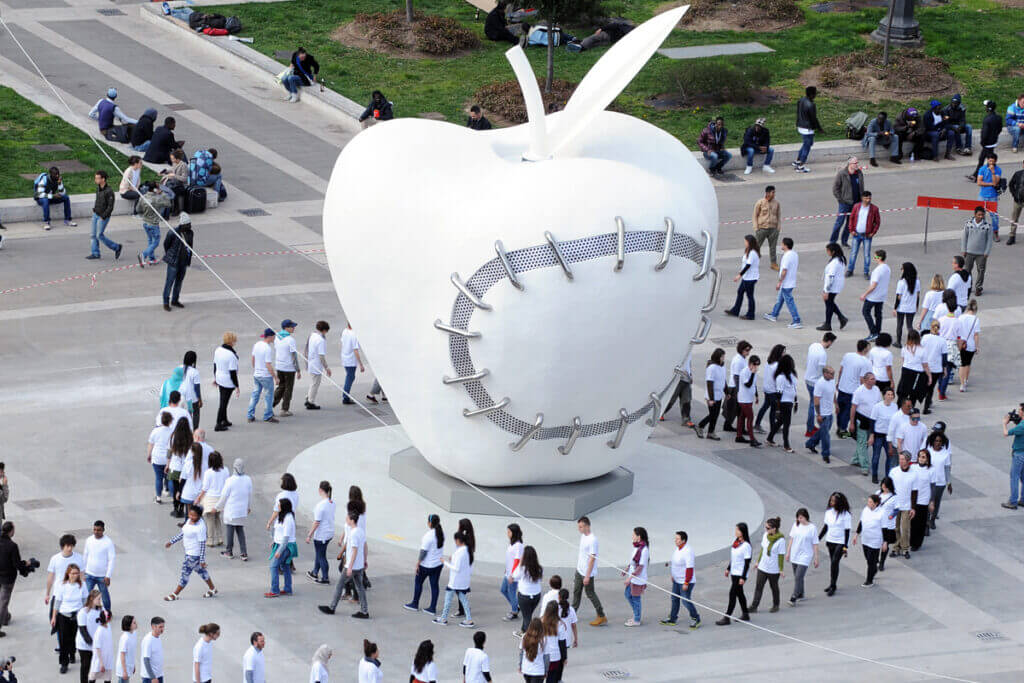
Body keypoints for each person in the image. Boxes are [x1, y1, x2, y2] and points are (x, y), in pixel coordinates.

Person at [163, 504, 217, 600]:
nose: (191, 517)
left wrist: (202, 560)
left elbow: (202, 545)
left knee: (185, 574)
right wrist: (171, 542)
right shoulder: (189, 521)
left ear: (199, 516)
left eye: (194, 516)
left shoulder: (200, 527)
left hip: (193, 555)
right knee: (202, 572)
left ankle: (175, 594)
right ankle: (212, 589)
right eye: (190, 515)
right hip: (189, 552)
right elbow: (183, 533)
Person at [51, 563, 87, 673]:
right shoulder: (62, 586)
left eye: (77, 573)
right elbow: (57, 602)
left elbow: (85, 601)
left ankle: (72, 654)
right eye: (72, 573)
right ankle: (64, 663)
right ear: (68, 573)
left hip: (77, 615)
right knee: (63, 640)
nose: (74, 575)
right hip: (64, 616)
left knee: (75, 638)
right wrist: (54, 617)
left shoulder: (82, 585)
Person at [405, 514, 445, 614]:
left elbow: (423, 552)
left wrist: (418, 564)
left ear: (430, 523)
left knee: (418, 582)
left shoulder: (428, 536)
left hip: (427, 565)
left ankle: (415, 604)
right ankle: (432, 608)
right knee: (434, 586)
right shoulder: (441, 533)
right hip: (438, 564)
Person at [660, 530, 700, 628]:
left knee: (685, 601)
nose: (675, 540)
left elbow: (689, 568)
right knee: (674, 599)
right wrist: (673, 574)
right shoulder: (678, 549)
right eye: (675, 538)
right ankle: (672, 618)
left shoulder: (688, 551)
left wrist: (686, 582)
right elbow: (676, 563)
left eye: (677, 539)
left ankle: (696, 618)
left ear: (683, 540)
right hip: (677, 580)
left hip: (685, 581)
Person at [433, 529, 473, 626]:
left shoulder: (461, 552)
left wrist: (445, 562)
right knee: (463, 599)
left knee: (448, 600)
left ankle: (443, 618)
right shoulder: (466, 550)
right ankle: (469, 619)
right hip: (461, 581)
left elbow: (456, 568)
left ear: (458, 540)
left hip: (455, 582)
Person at [215, 458, 252, 561]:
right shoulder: (248, 479)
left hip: (231, 512)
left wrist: (217, 507)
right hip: (241, 512)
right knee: (240, 531)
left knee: (230, 531)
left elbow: (224, 497)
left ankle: (229, 551)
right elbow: (250, 495)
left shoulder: (230, 480)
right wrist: (248, 507)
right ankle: (244, 553)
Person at [572, 516, 606, 626]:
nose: (579, 529)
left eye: (581, 527)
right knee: (576, 592)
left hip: (587, 573)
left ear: (587, 526)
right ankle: (572, 614)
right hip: (579, 570)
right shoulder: (583, 536)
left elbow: (592, 559)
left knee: (590, 593)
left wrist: (587, 576)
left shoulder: (593, 540)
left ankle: (601, 615)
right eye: (579, 527)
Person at [715, 523, 751, 624]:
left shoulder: (746, 546)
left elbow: (747, 563)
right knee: (740, 594)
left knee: (732, 594)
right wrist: (728, 568)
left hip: (740, 574)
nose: (735, 532)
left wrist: (743, 577)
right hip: (734, 573)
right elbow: (734, 558)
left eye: (737, 530)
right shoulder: (736, 543)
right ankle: (745, 613)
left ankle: (727, 617)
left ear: (742, 532)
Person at [748, 516, 784, 614]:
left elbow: (781, 556)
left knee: (774, 587)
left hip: (773, 569)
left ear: (774, 529)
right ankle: (754, 606)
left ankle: (776, 605)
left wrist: (781, 569)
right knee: (758, 587)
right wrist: (757, 562)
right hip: (763, 567)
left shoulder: (781, 541)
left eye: (768, 528)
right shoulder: (765, 535)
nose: (766, 529)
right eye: (766, 527)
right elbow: (763, 550)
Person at [818, 492, 851, 596]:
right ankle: (833, 583)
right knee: (833, 562)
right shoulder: (829, 512)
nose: (831, 502)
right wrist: (818, 538)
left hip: (840, 542)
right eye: (831, 500)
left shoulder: (846, 514)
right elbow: (826, 527)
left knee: (834, 562)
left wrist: (845, 545)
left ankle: (833, 585)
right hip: (830, 540)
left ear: (839, 502)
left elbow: (847, 531)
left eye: (833, 501)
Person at [764, 238, 802, 327]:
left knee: (789, 301)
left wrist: (779, 282)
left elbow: (784, 270)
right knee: (780, 298)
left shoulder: (787, 256)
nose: (781, 245)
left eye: (782, 244)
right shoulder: (794, 254)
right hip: (791, 281)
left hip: (786, 283)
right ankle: (774, 314)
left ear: (785, 245)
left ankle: (796, 320)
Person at [835, 342, 870, 440]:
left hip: (842, 387)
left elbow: (841, 370)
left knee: (840, 409)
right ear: (865, 350)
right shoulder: (865, 362)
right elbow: (862, 379)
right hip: (852, 391)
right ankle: (842, 430)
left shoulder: (847, 355)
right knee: (847, 411)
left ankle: (839, 427)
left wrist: (839, 381)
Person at [784, 509, 818, 606]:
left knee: (798, 576)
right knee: (798, 576)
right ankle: (801, 593)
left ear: (806, 517)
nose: (799, 520)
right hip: (795, 554)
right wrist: (788, 552)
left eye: (801, 518)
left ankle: (793, 597)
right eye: (798, 518)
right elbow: (791, 539)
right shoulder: (796, 525)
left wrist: (816, 557)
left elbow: (815, 543)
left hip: (806, 555)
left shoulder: (812, 528)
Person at [160, 212, 193, 311]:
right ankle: (166, 302)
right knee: (169, 282)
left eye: (190, 224)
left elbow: (190, 246)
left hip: (183, 262)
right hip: (173, 263)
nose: (190, 226)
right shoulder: (173, 233)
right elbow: (166, 244)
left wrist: (188, 260)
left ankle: (175, 300)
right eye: (188, 224)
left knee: (179, 282)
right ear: (183, 225)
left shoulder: (190, 233)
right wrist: (170, 255)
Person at [87, 170, 122, 261]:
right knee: (93, 235)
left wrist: (103, 216)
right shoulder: (98, 188)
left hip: (103, 216)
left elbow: (110, 207)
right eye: (95, 178)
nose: (95, 180)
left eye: (97, 178)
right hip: (96, 214)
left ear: (103, 179)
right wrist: (94, 211)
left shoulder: (109, 191)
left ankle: (116, 247)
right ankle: (95, 253)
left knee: (99, 235)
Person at [850, 372, 881, 476]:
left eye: (874, 379)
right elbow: (853, 407)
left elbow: (878, 405)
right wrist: (852, 423)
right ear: (866, 380)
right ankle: (865, 466)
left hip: (872, 420)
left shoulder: (876, 390)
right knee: (862, 443)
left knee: (866, 442)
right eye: (872, 379)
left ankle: (855, 459)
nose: (874, 380)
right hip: (861, 420)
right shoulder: (859, 391)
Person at [804, 333, 835, 436]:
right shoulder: (823, 354)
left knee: (811, 404)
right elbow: (823, 371)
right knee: (814, 405)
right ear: (829, 342)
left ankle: (810, 426)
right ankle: (810, 428)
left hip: (808, 378)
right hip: (814, 382)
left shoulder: (813, 345)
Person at [305, 481, 336, 584]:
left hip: (321, 534)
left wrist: (309, 535)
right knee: (319, 553)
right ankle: (314, 572)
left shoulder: (320, 505)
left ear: (320, 490)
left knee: (321, 556)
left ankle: (325, 578)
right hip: (329, 532)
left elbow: (316, 522)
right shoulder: (332, 503)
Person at [766, 354, 798, 452]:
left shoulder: (792, 375)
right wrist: (778, 408)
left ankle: (770, 438)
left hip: (790, 402)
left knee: (780, 422)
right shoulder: (781, 377)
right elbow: (779, 394)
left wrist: (796, 401)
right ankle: (786, 445)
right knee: (786, 424)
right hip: (784, 403)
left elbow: (794, 389)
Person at [851, 494, 885, 586]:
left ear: (876, 503)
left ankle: (869, 580)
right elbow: (861, 522)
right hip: (865, 539)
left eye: (870, 502)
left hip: (875, 540)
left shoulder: (881, 513)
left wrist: (885, 542)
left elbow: (885, 528)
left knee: (870, 560)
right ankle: (874, 568)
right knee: (868, 558)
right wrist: (856, 534)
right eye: (868, 501)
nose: (868, 503)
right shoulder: (865, 510)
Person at [195, 451, 228, 546]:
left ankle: (210, 540)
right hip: (221, 498)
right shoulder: (225, 470)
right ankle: (220, 537)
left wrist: (198, 498)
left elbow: (205, 488)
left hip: (210, 499)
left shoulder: (208, 472)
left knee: (210, 520)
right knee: (217, 517)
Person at [830, 157, 865, 246]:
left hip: (856, 203)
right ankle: (832, 242)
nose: (857, 164)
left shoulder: (859, 173)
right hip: (844, 203)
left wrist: (862, 200)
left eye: (857, 162)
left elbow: (861, 187)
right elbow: (835, 188)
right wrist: (841, 199)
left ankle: (844, 241)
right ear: (850, 164)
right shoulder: (842, 174)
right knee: (839, 223)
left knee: (850, 224)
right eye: (855, 163)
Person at [266, 498, 297, 599]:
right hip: (280, 544)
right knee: (285, 566)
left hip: (285, 546)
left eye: (279, 505)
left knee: (273, 566)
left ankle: (275, 590)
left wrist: (279, 551)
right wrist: (274, 542)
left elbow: (286, 538)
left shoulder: (288, 519)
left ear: (283, 507)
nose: (277, 507)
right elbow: (279, 532)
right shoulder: (282, 516)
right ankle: (288, 589)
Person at [82, 521, 115, 613]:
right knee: (87, 594)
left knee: (104, 595)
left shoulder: (108, 542)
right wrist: (83, 571)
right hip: (89, 574)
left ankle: (107, 612)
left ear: (103, 530)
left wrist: (108, 575)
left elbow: (112, 559)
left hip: (102, 576)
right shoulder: (89, 540)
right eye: (95, 529)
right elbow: (85, 555)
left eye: (99, 530)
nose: (96, 532)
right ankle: (86, 611)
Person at [961, 206, 994, 297]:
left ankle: (978, 287)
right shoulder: (968, 224)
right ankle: (968, 286)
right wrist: (963, 249)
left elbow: (989, 241)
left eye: (982, 215)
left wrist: (986, 252)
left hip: (981, 254)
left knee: (981, 271)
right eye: (979, 214)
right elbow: (964, 237)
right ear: (974, 214)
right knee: (967, 270)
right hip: (969, 252)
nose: (981, 216)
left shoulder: (988, 226)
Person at [725, 234, 760, 319]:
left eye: (745, 241)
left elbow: (748, 265)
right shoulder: (748, 251)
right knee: (740, 292)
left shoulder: (752, 253)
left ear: (749, 242)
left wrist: (739, 275)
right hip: (746, 277)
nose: (744, 243)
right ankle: (735, 310)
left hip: (751, 278)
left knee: (750, 296)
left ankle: (751, 314)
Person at [136, 183, 171, 267]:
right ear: (155, 189)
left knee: (150, 240)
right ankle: (143, 255)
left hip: (145, 222)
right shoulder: (157, 199)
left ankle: (152, 259)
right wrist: (162, 194)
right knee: (156, 242)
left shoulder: (143, 197)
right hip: (153, 224)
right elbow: (168, 203)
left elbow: (138, 209)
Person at [806, 366, 836, 463]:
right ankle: (825, 454)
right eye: (831, 373)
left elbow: (833, 392)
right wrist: (818, 414)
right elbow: (816, 400)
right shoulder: (820, 384)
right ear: (825, 373)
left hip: (829, 412)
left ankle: (810, 443)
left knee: (824, 431)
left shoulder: (832, 380)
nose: (833, 375)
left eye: (833, 373)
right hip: (823, 414)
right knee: (826, 435)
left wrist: (836, 404)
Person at [695, 348, 726, 440]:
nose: (723, 358)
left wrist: (727, 392)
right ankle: (700, 426)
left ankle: (711, 432)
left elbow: (723, 380)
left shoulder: (722, 367)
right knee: (713, 414)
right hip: (712, 396)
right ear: (718, 357)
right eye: (722, 357)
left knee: (715, 415)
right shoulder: (712, 368)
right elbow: (709, 383)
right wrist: (711, 399)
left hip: (719, 395)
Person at [848, 192, 881, 279]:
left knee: (866, 254)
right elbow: (851, 218)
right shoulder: (856, 207)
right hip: (856, 234)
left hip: (867, 236)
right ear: (862, 198)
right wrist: (851, 230)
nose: (868, 200)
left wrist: (873, 233)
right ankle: (850, 270)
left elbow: (877, 222)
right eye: (866, 198)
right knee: (853, 253)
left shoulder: (874, 209)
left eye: (870, 198)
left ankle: (866, 272)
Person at [248, 328, 278, 423]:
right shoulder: (268, 349)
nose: (274, 338)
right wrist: (275, 377)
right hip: (265, 376)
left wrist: (256, 369)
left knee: (255, 395)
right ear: (270, 337)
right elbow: (268, 364)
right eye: (273, 337)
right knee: (269, 396)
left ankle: (250, 415)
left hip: (257, 374)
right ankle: (268, 415)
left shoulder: (257, 344)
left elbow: (253, 358)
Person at [272, 319, 301, 416]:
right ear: (286, 328)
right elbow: (294, 356)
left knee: (281, 386)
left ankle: (270, 405)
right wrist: (298, 369)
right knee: (288, 388)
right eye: (292, 327)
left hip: (279, 366)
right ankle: (284, 409)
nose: (293, 328)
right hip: (289, 367)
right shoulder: (290, 340)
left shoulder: (277, 337)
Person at [869, 389, 899, 483]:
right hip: (878, 435)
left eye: (892, 394)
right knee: (876, 456)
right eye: (888, 394)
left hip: (889, 436)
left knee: (890, 457)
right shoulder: (877, 407)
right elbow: (872, 421)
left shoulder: (895, 406)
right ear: (884, 396)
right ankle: (874, 475)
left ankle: (887, 478)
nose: (890, 396)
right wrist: (872, 435)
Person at [754, 344, 785, 435]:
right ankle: (773, 428)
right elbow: (778, 379)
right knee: (773, 409)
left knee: (765, 407)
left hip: (767, 388)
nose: (784, 354)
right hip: (773, 390)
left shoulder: (769, 362)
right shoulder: (777, 365)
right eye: (783, 352)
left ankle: (757, 424)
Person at [622, 527, 649, 626]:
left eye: (633, 535)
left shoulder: (644, 550)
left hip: (638, 578)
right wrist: (626, 570)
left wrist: (629, 578)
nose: (632, 537)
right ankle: (636, 614)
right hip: (632, 577)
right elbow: (633, 562)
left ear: (639, 536)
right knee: (627, 595)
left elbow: (640, 567)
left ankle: (637, 619)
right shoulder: (636, 547)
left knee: (636, 598)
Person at [34, 166, 76, 231]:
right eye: (55, 174)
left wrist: (59, 184)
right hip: (41, 199)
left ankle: (67, 220)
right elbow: (40, 194)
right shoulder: (44, 179)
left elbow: (62, 193)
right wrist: (53, 196)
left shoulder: (58, 179)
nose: (57, 175)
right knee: (45, 201)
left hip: (50, 197)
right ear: (50, 174)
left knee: (66, 198)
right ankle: (47, 222)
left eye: (58, 174)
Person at [722, 340, 752, 432]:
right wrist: (740, 391)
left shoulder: (741, 358)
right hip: (736, 387)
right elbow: (736, 377)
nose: (748, 352)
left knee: (734, 408)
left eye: (749, 350)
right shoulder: (738, 361)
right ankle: (739, 428)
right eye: (747, 350)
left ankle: (729, 425)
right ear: (741, 350)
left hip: (736, 387)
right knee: (738, 409)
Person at [818, 243, 848, 331]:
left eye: (828, 250)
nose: (827, 252)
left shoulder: (835, 262)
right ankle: (841, 318)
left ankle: (828, 324)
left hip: (833, 286)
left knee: (829, 304)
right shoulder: (840, 259)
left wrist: (826, 290)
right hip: (837, 285)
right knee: (830, 302)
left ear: (833, 251)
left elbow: (830, 277)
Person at [898, 331, 932, 409]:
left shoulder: (904, 348)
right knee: (913, 393)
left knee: (903, 391)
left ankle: (900, 407)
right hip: (917, 373)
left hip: (906, 370)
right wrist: (929, 376)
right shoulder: (922, 350)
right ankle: (910, 409)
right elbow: (925, 366)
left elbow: (903, 360)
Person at [513, 545, 543, 633]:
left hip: (524, 596)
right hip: (536, 595)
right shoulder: (539, 568)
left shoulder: (522, 569)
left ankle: (527, 635)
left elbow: (514, 575)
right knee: (528, 615)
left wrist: (520, 563)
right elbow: (540, 579)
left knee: (527, 617)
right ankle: (523, 630)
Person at [860, 250, 889, 340]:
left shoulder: (877, 270)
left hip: (874, 296)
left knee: (865, 311)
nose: (874, 258)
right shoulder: (887, 268)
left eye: (875, 257)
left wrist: (864, 294)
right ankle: (878, 332)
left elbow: (873, 285)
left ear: (879, 258)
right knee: (878, 314)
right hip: (882, 295)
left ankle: (873, 332)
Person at [495, 523, 522, 621]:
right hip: (508, 573)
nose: (507, 533)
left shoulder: (518, 545)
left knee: (511, 592)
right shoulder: (512, 544)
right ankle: (515, 606)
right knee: (503, 590)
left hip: (513, 575)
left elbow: (517, 560)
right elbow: (510, 559)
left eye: (509, 531)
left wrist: (512, 574)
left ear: (514, 533)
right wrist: (507, 569)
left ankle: (514, 611)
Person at [970, 99, 1002, 181]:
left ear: (988, 108)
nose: (985, 108)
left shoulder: (987, 119)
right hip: (993, 142)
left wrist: (982, 142)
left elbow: (985, 132)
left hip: (987, 143)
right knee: (984, 158)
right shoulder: (998, 118)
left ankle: (985, 176)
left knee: (987, 160)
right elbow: (999, 129)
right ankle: (976, 175)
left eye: (986, 107)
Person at [75, 589, 104, 681]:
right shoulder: (83, 612)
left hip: (95, 645)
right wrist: (92, 644)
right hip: (84, 645)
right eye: (98, 599)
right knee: (85, 666)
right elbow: (83, 631)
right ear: (91, 599)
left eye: (100, 599)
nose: (100, 601)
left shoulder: (101, 610)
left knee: (94, 668)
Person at [927, 429, 953, 528]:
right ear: (932, 441)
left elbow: (947, 469)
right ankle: (927, 520)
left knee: (936, 502)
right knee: (928, 501)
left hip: (940, 482)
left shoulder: (945, 453)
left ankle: (932, 520)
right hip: (929, 482)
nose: (938, 443)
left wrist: (949, 483)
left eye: (940, 441)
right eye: (936, 441)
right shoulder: (928, 451)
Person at [735, 355, 762, 448]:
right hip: (744, 399)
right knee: (750, 417)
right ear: (750, 364)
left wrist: (757, 395)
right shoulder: (744, 372)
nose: (756, 367)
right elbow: (748, 384)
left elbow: (754, 385)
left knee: (742, 417)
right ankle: (752, 439)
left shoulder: (752, 371)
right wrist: (753, 373)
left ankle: (739, 436)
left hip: (749, 398)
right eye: (755, 365)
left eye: (758, 365)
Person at [794, 86, 822, 172]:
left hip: (800, 126)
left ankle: (797, 161)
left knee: (806, 144)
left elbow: (798, 112)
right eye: (815, 93)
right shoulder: (811, 105)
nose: (816, 95)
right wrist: (819, 128)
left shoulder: (801, 100)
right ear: (811, 94)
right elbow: (814, 118)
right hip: (807, 129)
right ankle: (801, 166)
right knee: (807, 147)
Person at [305, 320, 332, 410]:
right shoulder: (321, 340)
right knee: (315, 384)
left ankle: (308, 397)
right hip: (316, 364)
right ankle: (310, 402)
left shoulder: (312, 335)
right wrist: (327, 367)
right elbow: (321, 356)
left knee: (313, 382)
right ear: (324, 330)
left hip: (311, 361)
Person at [920, 321, 946, 413]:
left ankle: (921, 399)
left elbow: (920, 351)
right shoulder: (942, 340)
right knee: (931, 388)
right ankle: (926, 407)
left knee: (924, 385)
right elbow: (944, 357)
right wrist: (945, 369)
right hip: (936, 368)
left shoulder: (925, 338)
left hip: (925, 366)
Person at [752, 186, 780, 270]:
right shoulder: (760, 202)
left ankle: (773, 263)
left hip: (773, 229)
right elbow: (754, 215)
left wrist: (778, 228)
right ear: (767, 193)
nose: (774, 194)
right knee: (756, 247)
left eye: (774, 192)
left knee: (773, 247)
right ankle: (751, 263)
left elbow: (778, 216)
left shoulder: (776, 203)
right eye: (772, 192)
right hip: (762, 228)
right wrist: (756, 228)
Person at [661, 353, 693, 427]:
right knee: (671, 399)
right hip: (676, 379)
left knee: (686, 400)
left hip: (686, 379)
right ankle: (660, 413)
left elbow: (689, 363)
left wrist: (690, 374)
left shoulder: (689, 350)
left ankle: (686, 419)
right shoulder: (679, 349)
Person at [1002, 405, 1024, 509]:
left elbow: (1006, 433)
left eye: (1020, 410)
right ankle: (1023, 499)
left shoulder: (1021, 426)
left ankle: (1013, 501)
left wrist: (1004, 424)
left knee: (1014, 477)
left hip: (1019, 454)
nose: (1018, 412)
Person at [893, 263, 921, 347]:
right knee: (909, 325)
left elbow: (898, 297)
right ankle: (913, 341)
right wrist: (916, 306)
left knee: (899, 324)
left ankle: (898, 342)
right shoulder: (917, 282)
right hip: (911, 307)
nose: (901, 270)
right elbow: (918, 295)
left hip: (902, 307)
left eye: (902, 268)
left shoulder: (901, 282)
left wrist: (895, 308)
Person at [977, 154, 1002, 242]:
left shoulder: (998, 170)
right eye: (989, 160)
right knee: (980, 215)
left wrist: (993, 172)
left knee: (994, 216)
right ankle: (982, 232)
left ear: (995, 161)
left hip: (993, 196)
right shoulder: (982, 169)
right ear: (987, 160)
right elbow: (979, 182)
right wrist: (990, 184)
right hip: (982, 196)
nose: (990, 162)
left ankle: (995, 232)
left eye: (992, 161)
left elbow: (995, 182)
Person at [956, 299, 981, 390]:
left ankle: (962, 384)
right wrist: (977, 346)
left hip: (961, 344)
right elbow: (976, 335)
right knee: (968, 363)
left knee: (962, 364)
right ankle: (965, 380)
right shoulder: (976, 319)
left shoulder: (961, 317)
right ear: (975, 309)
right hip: (970, 345)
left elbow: (957, 330)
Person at [340, 323, 365, 405]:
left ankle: (345, 395)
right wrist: (360, 364)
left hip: (344, 357)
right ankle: (345, 397)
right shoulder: (354, 335)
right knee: (350, 377)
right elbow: (355, 350)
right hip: (351, 359)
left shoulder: (345, 331)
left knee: (349, 376)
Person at [90, 610, 114, 683]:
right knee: (93, 677)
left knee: (107, 678)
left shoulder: (108, 626)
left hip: (108, 659)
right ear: (108, 619)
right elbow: (97, 647)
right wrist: (101, 663)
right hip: (99, 660)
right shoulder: (99, 631)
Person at [139, 617, 165, 683]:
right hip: (149, 678)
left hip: (159, 675)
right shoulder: (148, 640)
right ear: (153, 627)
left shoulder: (157, 637)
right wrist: (153, 677)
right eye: (160, 627)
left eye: (163, 627)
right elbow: (146, 660)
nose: (162, 629)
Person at [115, 614, 137, 682]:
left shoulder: (133, 634)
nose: (136, 624)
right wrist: (124, 671)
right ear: (128, 625)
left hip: (128, 668)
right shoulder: (125, 638)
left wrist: (133, 666)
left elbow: (131, 653)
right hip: (123, 670)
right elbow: (122, 655)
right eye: (134, 623)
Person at [1008, 160, 1024, 246]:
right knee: (1014, 219)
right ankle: (1012, 236)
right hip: (1017, 201)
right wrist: (1014, 194)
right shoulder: (1018, 174)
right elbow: (1011, 184)